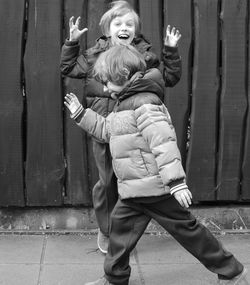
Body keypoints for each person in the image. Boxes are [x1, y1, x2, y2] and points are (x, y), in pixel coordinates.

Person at [64, 45, 248, 285]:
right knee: (119, 234)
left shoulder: (145, 104)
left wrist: (176, 182)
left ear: (123, 75)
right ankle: (114, 279)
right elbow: (107, 131)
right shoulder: (124, 104)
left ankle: (233, 272)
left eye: (108, 82)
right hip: (132, 190)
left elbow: (164, 143)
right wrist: (81, 114)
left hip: (156, 189)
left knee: (187, 231)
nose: (106, 88)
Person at [60, 0, 182, 254]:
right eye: (118, 23)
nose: (124, 27)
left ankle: (125, 232)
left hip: (135, 129)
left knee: (137, 181)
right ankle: (107, 230)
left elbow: (168, 78)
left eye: (129, 23)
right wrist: (72, 42)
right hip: (105, 128)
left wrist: (170, 49)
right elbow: (69, 67)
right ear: (108, 28)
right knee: (107, 182)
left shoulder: (144, 55)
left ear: (135, 31)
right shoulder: (95, 53)